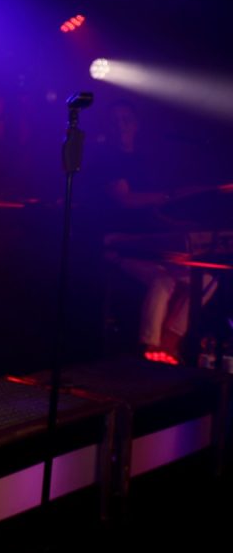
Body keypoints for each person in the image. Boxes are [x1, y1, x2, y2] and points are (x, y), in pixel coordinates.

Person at [92, 98, 216, 364]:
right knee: (163, 281)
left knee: (207, 279)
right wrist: (169, 196)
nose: (121, 125)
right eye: (115, 121)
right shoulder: (107, 159)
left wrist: (189, 228)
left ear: (136, 124)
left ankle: (170, 339)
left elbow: (154, 214)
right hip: (118, 242)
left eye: (125, 119)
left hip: (147, 244)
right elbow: (125, 199)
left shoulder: (144, 161)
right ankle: (151, 348)